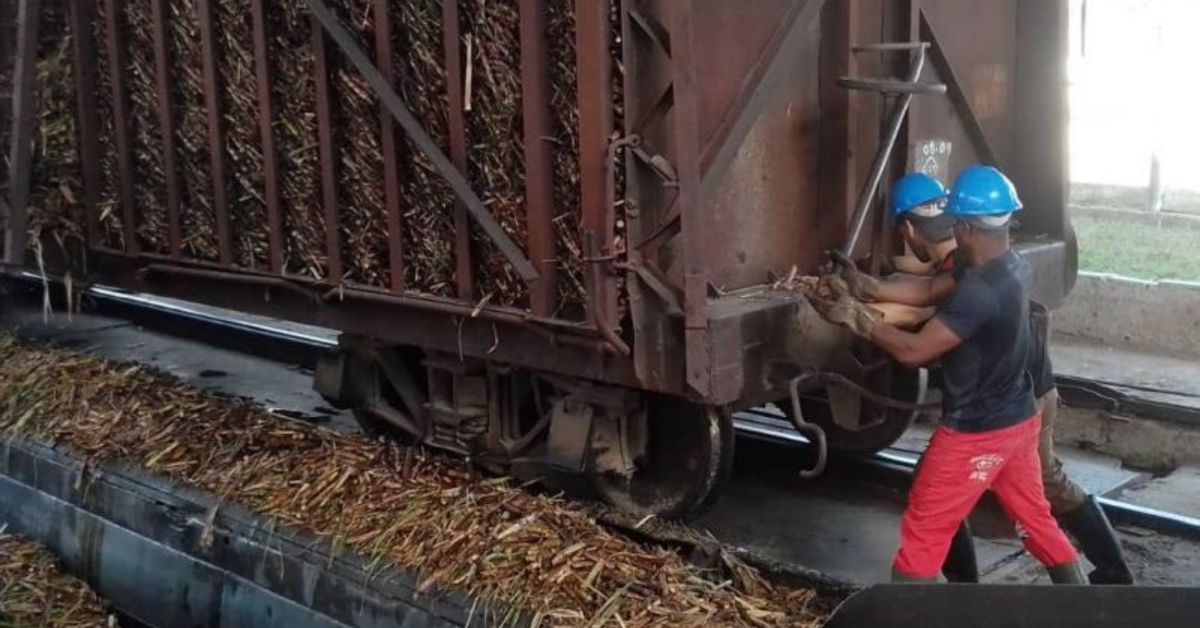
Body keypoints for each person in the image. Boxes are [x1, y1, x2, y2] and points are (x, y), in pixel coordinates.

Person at [835, 172, 1135, 585]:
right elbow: (926, 291)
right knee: (1036, 521)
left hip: (975, 432)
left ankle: (905, 613)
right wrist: (865, 286)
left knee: (924, 530)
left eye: (956, 221)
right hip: (1018, 419)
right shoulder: (1008, 265)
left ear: (965, 227)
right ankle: (1082, 606)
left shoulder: (979, 292)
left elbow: (914, 351)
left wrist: (857, 318)